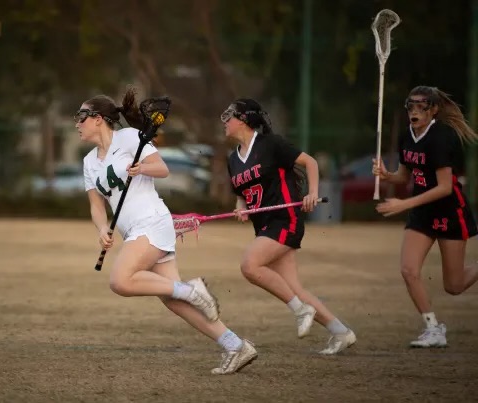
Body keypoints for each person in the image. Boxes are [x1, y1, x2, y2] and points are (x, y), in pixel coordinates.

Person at [78, 87, 257, 374]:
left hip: (151, 221)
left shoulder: (130, 138)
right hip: (133, 229)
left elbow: (162, 168)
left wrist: (141, 169)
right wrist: (102, 228)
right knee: (174, 301)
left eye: (82, 117)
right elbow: (96, 204)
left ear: (98, 118)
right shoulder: (89, 162)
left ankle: (191, 289)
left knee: (120, 281)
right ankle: (235, 345)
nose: (77, 123)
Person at [223, 98, 356, 355]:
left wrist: (312, 192)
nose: (225, 122)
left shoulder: (270, 145)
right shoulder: (233, 159)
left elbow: (311, 163)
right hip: (263, 226)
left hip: (285, 219)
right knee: (294, 288)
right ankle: (341, 332)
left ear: (244, 120)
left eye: (230, 116)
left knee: (250, 266)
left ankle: (299, 309)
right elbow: (241, 191)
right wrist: (240, 205)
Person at [373, 86, 478, 348]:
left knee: (454, 286)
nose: (415, 111)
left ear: (433, 110)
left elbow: (444, 188)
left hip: (449, 212)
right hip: (422, 214)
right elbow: (406, 176)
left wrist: (404, 204)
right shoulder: (408, 136)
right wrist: (388, 176)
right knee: (409, 270)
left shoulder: (442, 137)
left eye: (422, 106)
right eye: (411, 106)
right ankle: (434, 329)